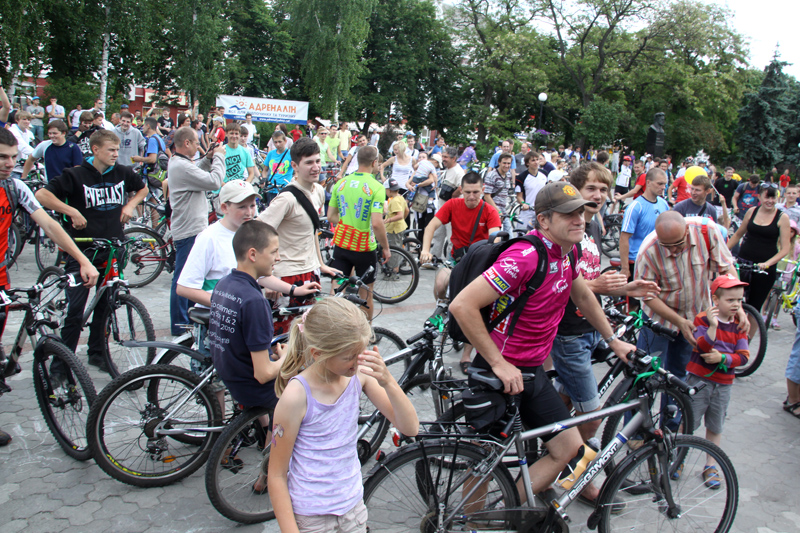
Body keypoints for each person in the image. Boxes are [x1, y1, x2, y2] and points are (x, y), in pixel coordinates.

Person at [449, 181, 636, 507]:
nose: (579, 219)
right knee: (483, 463)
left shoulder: (568, 251)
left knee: (569, 450)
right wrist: (498, 363)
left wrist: (613, 340)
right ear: (544, 220)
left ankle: (505, 513)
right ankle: (470, 523)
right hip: (498, 374)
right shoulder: (525, 257)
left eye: (581, 212)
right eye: (568, 214)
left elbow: (582, 296)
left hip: (532, 372)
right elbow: (462, 305)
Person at [269, 297, 418, 531]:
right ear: (318, 353)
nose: (357, 362)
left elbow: (410, 428)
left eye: (361, 352)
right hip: (312, 516)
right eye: (349, 357)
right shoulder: (297, 396)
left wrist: (388, 381)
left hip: (352, 507)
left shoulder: (359, 375)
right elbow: (277, 475)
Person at [0, 127, 102, 447]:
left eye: (13, 157)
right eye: (2, 158)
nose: (10, 163)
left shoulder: (15, 187)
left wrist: (81, 260)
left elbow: (48, 223)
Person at [551, 164, 660, 443]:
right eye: (591, 188)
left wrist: (627, 288)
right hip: (569, 333)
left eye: (603, 189)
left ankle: (550, 448)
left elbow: (589, 279)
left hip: (588, 327)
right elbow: (554, 282)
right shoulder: (568, 230)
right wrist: (594, 288)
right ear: (575, 191)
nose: (598, 195)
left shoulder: (593, 226)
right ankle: (571, 460)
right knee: (592, 419)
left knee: (566, 398)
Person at [35, 129, 147, 372]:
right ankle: (61, 365)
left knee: (106, 306)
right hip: (82, 251)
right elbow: (41, 195)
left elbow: (143, 188)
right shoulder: (75, 175)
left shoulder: (122, 172)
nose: (115, 154)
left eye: (117, 150)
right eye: (111, 150)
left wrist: (130, 204)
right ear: (95, 150)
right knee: (76, 310)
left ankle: (97, 353)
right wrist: (71, 210)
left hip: (112, 249)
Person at [209, 220, 285, 486]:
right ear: (253, 254)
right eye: (274, 251)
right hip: (250, 384)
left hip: (228, 371)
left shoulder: (224, 284)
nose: (278, 257)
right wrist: (287, 359)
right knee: (298, 392)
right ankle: (270, 475)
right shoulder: (254, 301)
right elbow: (263, 373)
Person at [635, 211, 742, 385]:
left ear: (686, 231)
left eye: (678, 244)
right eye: (666, 246)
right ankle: (642, 401)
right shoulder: (648, 251)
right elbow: (647, 296)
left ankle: (673, 403)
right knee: (646, 373)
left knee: (680, 374)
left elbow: (726, 268)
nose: (673, 250)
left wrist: (738, 307)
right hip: (659, 318)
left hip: (694, 316)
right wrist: (679, 321)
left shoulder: (706, 231)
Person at [258, 137, 339, 334]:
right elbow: (257, 233)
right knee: (283, 337)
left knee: (306, 334)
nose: (316, 167)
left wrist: (320, 264)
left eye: (318, 161)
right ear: (294, 166)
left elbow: (313, 232)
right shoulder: (286, 199)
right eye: (309, 162)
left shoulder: (318, 191)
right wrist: (267, 276)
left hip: (310, 272)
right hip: (287, 275)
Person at [686, 274, 749, 488]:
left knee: (715, 425)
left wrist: (722, 358)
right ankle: (678, 458)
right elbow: (702, 346)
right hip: (699, 380)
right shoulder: (703, 319)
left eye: (739, 300)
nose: (736, 305)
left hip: (723, 384)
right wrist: (712, 327)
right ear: (716, 299)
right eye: (730, 300)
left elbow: (743, 356)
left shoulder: (739, 325)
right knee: (689, 421)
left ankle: (710, 465)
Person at [167, 127, 226, 336]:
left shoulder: (179, 163)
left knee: (191, 277)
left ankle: (187, 320)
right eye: (196, 143)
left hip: (190, 229)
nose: (198, 146)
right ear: (187, 143)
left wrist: (208, 158)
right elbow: (214, 181)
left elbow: (197, 173)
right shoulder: (181, 166)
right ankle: (180, 325)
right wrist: (219, 157)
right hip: (189, 231)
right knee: (183, 279)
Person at [327, 146, 389, 321]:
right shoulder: (377, 187)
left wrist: (349, 220)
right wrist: (386, 247)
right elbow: (376, 223)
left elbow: (331, 216)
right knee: (366, 294)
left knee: (336, 290)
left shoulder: (341, 183)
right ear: (374, 162)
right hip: (364, 249)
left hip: (342, 245)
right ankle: (366, 331)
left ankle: (329, 326)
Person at [727, 183, 791, 313]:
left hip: (764, 268)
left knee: (754, 306)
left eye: (773, 198)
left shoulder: (782, 217)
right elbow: (738, 234)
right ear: (759, 197)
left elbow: (785, 249)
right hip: (744, 263)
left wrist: (768, 263)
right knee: (734, 301)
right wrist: (723, 252)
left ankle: (752, 326)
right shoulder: (752, 212)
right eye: (767, 197)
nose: (770, 201)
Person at [619, 168, 670, 279]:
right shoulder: (636, 207)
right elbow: (624, 238)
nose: (663, 187)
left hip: (658, 261)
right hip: (638, 261)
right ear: (648, 182)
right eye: (660, 184)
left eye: (665, 184)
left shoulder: (664, 204)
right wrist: (625, 267)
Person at [383, 178, 408, 280]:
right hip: (400, 227)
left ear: (389, 190)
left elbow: (400, 215)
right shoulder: (401, 197)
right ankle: (397, 266)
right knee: (398, 247)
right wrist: (402, 221)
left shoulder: (394, 201)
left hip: (394, 229)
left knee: (394, 250)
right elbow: (407, 210)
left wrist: (387, 220)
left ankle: (394, 272)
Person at [515, 151, 547, 230]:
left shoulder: (544, 174)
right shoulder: (521, 177)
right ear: (527, 163)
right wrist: (523, 204)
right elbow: (519, 196)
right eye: (533, 160)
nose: (536, 162)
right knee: (522, 231)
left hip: (541, 209)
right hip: (528, 210)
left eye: (537, 160)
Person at [483, 153, 512, 234]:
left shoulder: (508, 175)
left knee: (510, 236)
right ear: (499, 162)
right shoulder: (492, 175)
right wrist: (497, 211)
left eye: (508, 163)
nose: (506, 166)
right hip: (492, 211)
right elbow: (487, 196)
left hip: (503, 212)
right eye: (504, 163)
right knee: (495, 237)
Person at [8, 111, 35, 177]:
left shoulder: (29, 133)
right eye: (24, 119)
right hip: (14, 167)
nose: (27, 121)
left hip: (26, 166)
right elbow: (22, 146)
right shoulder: (12, 131)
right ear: (17, 120)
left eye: (28, 120)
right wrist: (36, 153)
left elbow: (32, 145)